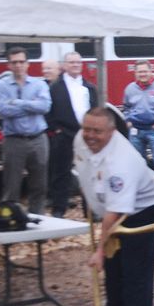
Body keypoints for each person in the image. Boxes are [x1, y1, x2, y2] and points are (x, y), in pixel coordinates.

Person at [76, 106, 154, 306]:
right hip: (111, 207)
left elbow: (113, 216)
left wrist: (99, 251)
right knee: (113, 269)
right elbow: (85, 170)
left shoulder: (121, 162)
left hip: (142, 210)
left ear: (112, 131)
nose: (90, 136)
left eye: (97, 131)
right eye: (86, 129)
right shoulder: (81, 139)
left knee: (135, 270)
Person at [0, 47, 52, 214]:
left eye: (21, 61)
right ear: (8, 65)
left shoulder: (39, 84)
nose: (18, 65)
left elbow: (45, 106)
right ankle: (9, 222)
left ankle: (38, 221)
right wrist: (31, 104)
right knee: (11, 186)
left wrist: (17, 102)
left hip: (38, 139)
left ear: (27, 64)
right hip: (13, 140)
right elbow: (3, 111)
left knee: (39, 185)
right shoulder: (0, 85)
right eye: (14, 62)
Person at [47, 51, 97, 217]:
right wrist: (56, 130)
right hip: (64, 135)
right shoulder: (55, 87)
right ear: (64, 65)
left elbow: (96, 110)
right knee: (61, 173)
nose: (75, 65)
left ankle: (90, 210)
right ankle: (59, 209)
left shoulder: (89, 87)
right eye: (71, 62)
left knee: (89, 173)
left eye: (78, 62)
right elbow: (49, 111)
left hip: (86, 135)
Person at [122, 60, 154, 187]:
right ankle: (142, 191)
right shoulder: (130, 88)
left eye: (145, 71)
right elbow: (126, 107)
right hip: (136, 131)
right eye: (139, 71)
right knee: (137, 163)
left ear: (150, 72)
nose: (142, 74)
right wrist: (128, 120)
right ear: (135, 73)